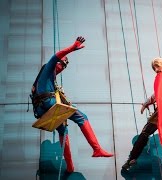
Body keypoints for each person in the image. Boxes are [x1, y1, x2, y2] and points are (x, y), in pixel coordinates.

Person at [30, 36, 113, 173]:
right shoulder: (48, 69)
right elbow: (56, 56)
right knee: (81, 116)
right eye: (62, 64)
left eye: (65, 66)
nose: (63, 67)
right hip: (46, 103)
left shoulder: (50, 79)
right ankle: (97, 149)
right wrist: (72, 48)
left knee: (63, 130)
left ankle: (70, 167)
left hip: (43, 109)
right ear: (57, 62)